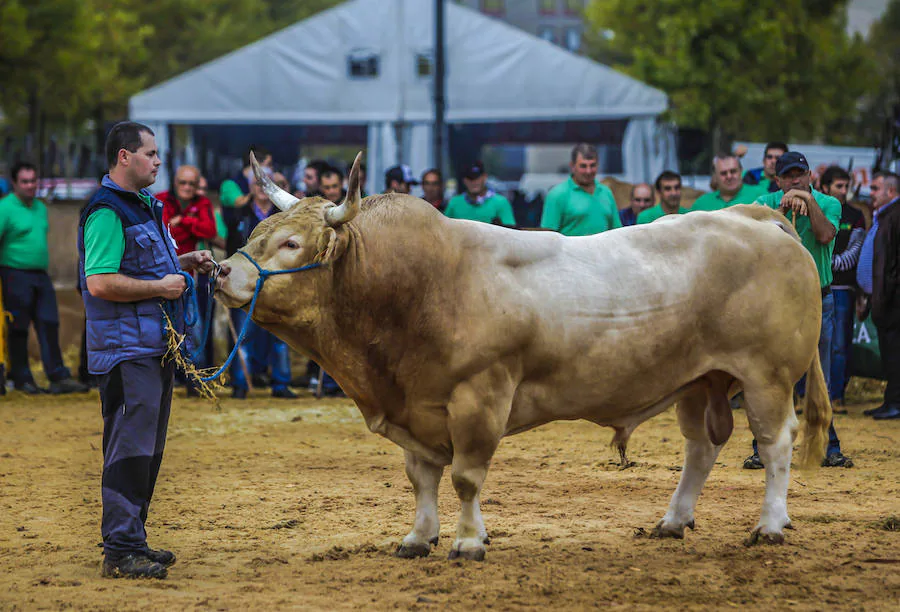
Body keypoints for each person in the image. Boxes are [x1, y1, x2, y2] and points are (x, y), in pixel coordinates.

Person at [79, 121, 217, 579]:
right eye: (151, 153)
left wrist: (182, 262)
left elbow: (138, 265)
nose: (158, 161)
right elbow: (99, 282)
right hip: (126, 351)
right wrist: (160, 285)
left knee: (147, 449)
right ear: (124, 156)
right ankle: (119, 551)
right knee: (129, 449)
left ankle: (132, 540)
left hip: (152, 346)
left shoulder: (141, 207)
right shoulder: (106, 212)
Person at [745, 151, 853, 468]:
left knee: (821, 376)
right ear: (777, 180)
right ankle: (763, 448)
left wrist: (808, 200)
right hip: (776, 300)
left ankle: (828, 447)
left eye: (800, 174)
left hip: (819, 299)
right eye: (789, 176)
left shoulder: (829, 203)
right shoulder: (764, 202)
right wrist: (782, 209)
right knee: (773, 375)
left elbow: (824, 234)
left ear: (809, 176)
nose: (795, 180)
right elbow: (755, 241)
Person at [0, 162, 89, 395]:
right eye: (25, 182)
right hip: (14, 273)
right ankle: (21, 377)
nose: (31, 186)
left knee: (49, 322)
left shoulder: (40, 208)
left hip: (40, 274)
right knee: (18, 327)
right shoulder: (5, 208)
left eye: (33, 181)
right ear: (14, 184)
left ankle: (57, 376)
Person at [225, 172, 296, 400]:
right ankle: (240, 383)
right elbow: (231, 249)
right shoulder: (239, 215)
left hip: (278, 283)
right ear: (250, 187)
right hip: (246, 283)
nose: (261, 188)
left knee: (280, 337)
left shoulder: (285, 216)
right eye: (256, 183)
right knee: (243, 336)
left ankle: (281, 383)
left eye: (265, 184)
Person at [820, 166, 865, 410]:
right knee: (808, 345)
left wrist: (823, 264)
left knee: (838, 346)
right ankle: (806, 396)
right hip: (815, 288)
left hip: (842, 290)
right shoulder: (813, 210)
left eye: (847, 186)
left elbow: (854, 255)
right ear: (825, 187)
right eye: (839, 186)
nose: (844, 191)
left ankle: (835, 397)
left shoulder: (856, 215)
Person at [857, 171, 900, 420]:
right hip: (882, 298)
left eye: (875, 188)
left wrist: (889, 293)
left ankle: (896, 402)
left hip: (893, 301)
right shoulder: (884, 216)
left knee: (895, 353)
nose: (870, 193)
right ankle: (891, 401)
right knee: (889, 352)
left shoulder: (895, 216)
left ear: (890, 192)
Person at [540, 143, 621, 235]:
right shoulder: (557, 194)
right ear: (572, 166)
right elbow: (547, 237)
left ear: (598, 165)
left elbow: (617, 232)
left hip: (603, 249)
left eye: (592, 165)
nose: (588, 171)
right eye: (583, 166)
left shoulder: (606, 192)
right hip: (570, 249)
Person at [157, 165, 217, 255]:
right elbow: (164, 235)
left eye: (191, 184)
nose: (187, 188)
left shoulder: (203, 202)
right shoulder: (160, 200)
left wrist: (183, 220)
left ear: (197, 185)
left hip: (190, 263)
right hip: (164, 260)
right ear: (175, 183)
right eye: (183, 183)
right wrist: (195, 227)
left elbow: (210, 231)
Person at [219, 146, 272, 234]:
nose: (271, 169)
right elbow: (239, 202)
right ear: (255, 164)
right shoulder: (230, 184)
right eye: (269, 164)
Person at [443, 161, 516, 226]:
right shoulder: (454, 203)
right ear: (464, 180)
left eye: (477, 177)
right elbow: (443, 229)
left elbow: (510, 232)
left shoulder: (501, 202)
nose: (474, 182)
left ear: (484, 177)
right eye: (470, 178)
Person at [691, 154, 764, 212]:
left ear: (741, 171)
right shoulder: (701, 204)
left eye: (733, 171)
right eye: (723, 173)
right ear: (715, 177)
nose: (729, 176)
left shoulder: (761, 196)